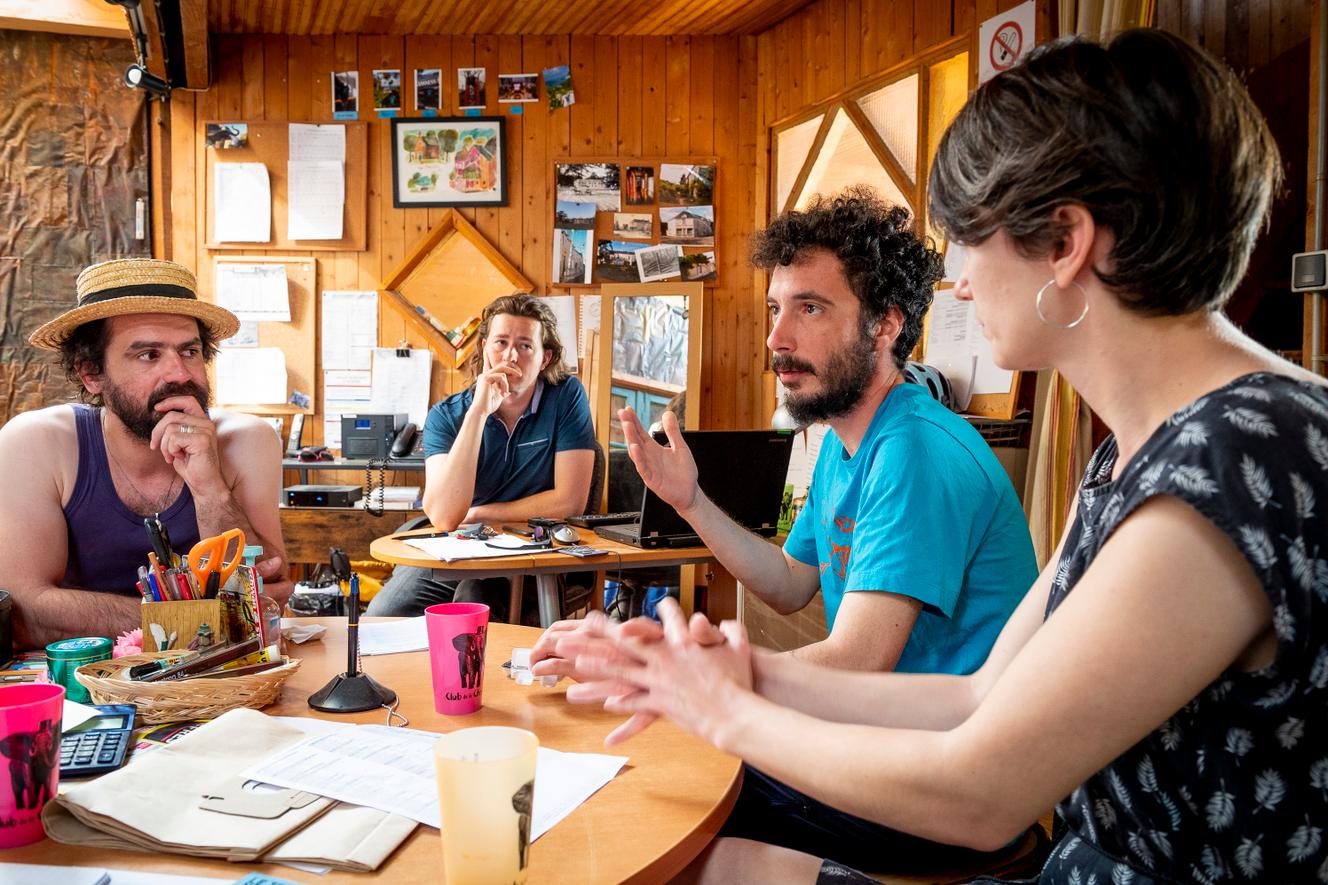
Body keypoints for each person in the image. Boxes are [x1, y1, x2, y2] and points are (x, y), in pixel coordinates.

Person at [543, 29, 1328, 884]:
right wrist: (735, 669)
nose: (955, 282)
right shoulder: (1135, 457)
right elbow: (978, 694)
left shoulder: (1237, 456)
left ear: (1065, 241)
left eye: (967, 240)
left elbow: (983, 789)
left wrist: (723, 707)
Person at [539, 190, 1037, 868]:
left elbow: (857, 658)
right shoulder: (842, 440)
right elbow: (787, 582)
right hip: (876, 744)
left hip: (940, 787)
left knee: (666, 787)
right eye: (777, 309)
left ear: (885, 325)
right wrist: (690, 501)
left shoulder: (914, 449)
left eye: (811, 307)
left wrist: (679, 673)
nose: (777, 338)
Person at [0, 258, 291, 651]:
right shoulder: (35, 443)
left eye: (190, 351)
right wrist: (197, 621)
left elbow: (267, 599)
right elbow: (25, 610)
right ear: (92, 374)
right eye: (148, 355)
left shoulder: (247, 441)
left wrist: (210, 490)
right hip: (81, 684)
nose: (180, 374)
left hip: (219, 681)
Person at [366, 293, 596, 620]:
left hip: (530, 552)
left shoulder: (567, 398)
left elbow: (569, 501)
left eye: (525, 346)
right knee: (383, 615)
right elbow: (445, 516)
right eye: (501, 343)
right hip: (458, 548)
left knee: (472, 599)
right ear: (485, 347)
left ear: (544, 358)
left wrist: (482, 513)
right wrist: (478, 412)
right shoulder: (447, 415)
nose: (510, 356)